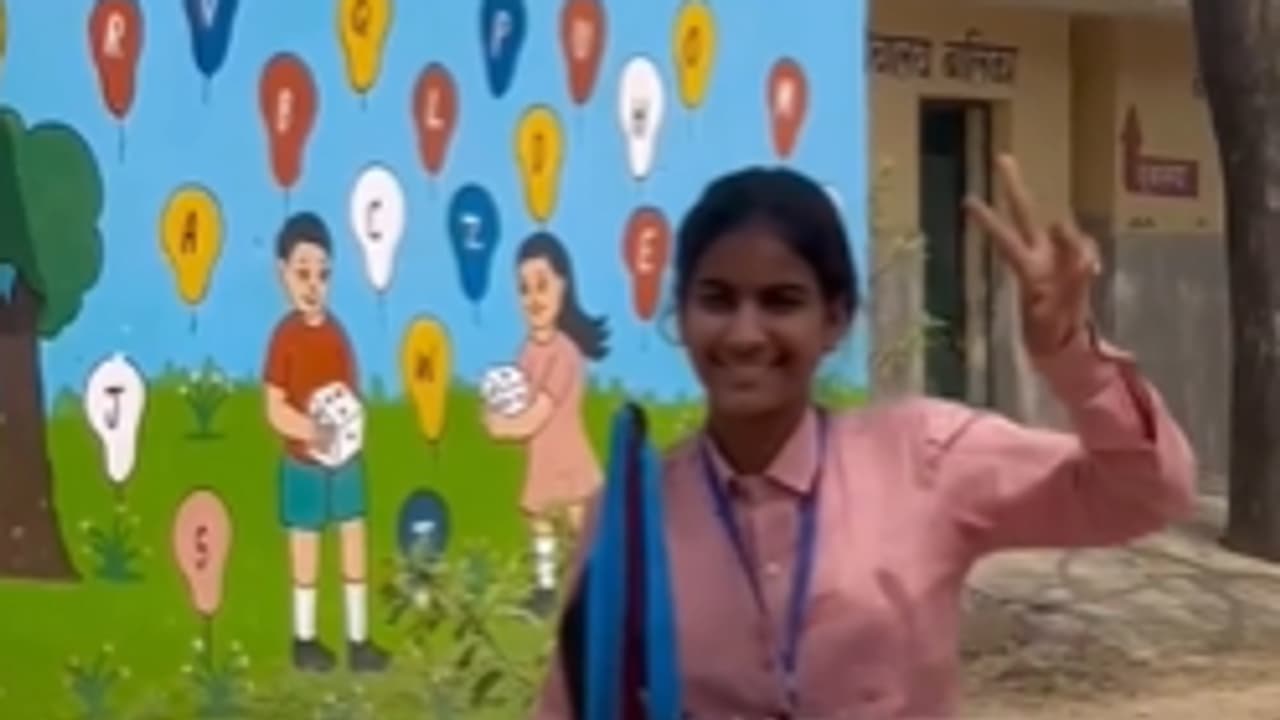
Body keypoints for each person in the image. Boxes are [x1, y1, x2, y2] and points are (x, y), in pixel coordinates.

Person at [533, 157, 1197, 718]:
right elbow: (572, 701)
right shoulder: (632, 512)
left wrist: (1070, 354)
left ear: (836, 319)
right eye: (717, 300)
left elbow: (1147, 494)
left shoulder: (924, 459)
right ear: (682, 315)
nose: (744, 334)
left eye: (781, 301)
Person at [262, 212, 389, 673]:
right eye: (303, 273)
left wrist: (349, 429)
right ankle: (305, 638)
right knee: (306, 549)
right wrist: (310, 431)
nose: (313, 285)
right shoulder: (285, 338)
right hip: (303, 463)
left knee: (353, 539)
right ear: (283, 274)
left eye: (322, 274)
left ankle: (358, 638)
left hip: (345, 461)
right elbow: (274, 407)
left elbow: (350, 395)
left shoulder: (337, 335)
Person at [485, 231, 610, 615]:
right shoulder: (527, 351)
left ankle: (598, 583)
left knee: (578, 523)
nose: (533, 298)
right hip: (541, 458)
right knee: (539, 519)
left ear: (563, 285)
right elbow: (518, 397)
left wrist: (504, 428)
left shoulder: (564, 354)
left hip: (566, 455)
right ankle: (545, 587)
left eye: (542, 285)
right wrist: (497, 409)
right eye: (524, 289)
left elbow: (538, 412)